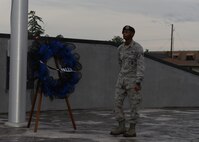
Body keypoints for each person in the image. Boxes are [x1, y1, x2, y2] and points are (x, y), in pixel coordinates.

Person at [110, 25, 145, 137]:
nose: (125, 33)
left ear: (132, 34)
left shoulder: (137, 48)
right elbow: (120, 63)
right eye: (124, 32)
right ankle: (121, 126)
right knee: (117, 103)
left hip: (133, 80)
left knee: (134, 105)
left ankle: (132, 129)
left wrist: (138, 81)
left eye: (127, 32)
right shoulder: (120, 48)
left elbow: (140, 65)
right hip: (121, 80)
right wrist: (122, 75)